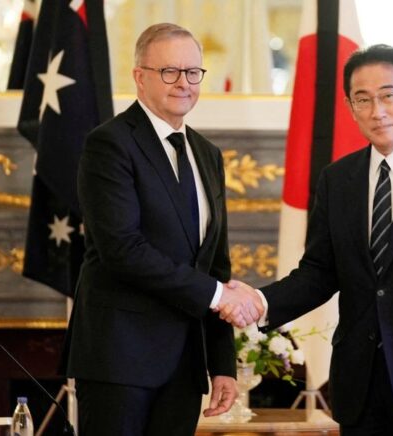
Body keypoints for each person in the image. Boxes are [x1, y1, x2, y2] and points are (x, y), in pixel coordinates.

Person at [219, 44, 393, 435]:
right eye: (364, 99)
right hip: (359, 385)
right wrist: (260, 301)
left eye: (389, 95)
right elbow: (319, 272)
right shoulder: (337, 180)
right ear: (350, 106)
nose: (378, 110)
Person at [63, 23, 262, 435]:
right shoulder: (109, 144)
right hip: (120, 359)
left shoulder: (208, 155)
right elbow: (123, 249)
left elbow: (215, 264)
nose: (183, 83)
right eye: (169, 71)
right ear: (140, 77)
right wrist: (219, 296)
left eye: (193, 72)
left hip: (184, 364)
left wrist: (221, 365)